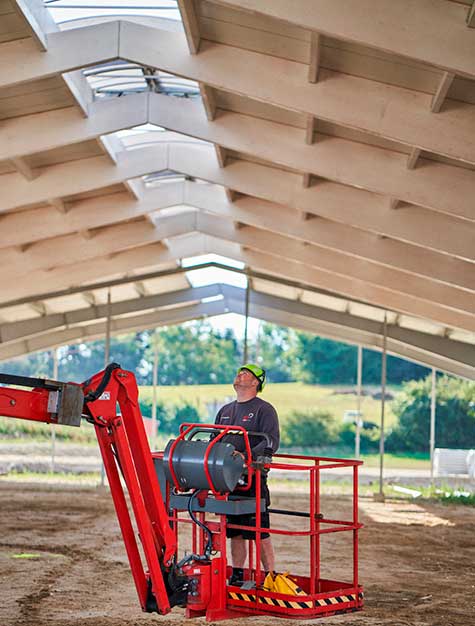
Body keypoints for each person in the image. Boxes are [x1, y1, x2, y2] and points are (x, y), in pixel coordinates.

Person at [215, 363, 280, 585]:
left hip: (253, 479)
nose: (240, 374)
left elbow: (270, 442)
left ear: (256, 382)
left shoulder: (264, 410)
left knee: (259, 530)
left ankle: (271, 576)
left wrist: (244, 456)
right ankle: (237, 574)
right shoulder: (225, 411)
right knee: (235, 532)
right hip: (227, 480)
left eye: (246, 373)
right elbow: (215, 440)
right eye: (239, 372)